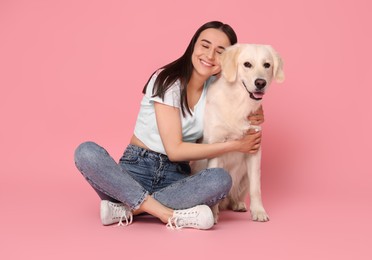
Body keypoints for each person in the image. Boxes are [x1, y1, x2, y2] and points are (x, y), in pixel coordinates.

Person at [74, 21, 264, 230]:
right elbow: (174, 150)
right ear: (193, 46)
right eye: (205, 45)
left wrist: (254, 111)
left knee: (220, 179)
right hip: (135, 171)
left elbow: (243, 96)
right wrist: (235, 146)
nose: (209, 56)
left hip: (176, 179)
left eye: (220, 51)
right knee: (86, 152)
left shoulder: (217, 90)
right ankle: (167, 213)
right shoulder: (167, 80)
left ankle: (130, 208)